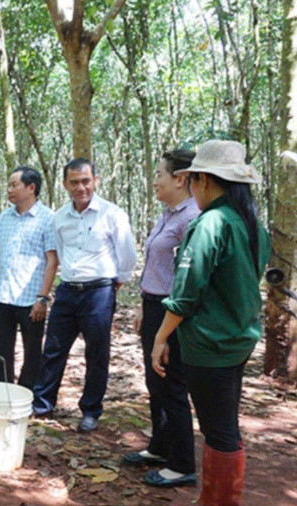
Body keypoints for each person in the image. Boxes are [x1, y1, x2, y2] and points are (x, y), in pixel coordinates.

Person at [151, 140, 270, 506]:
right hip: (236, 338)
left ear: (202, 180)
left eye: (193, 180)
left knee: (220, 429)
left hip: (211, 344)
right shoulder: (249, 224)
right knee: (219, 424)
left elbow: (186, 295)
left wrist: (160, 337)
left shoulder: (210, 225)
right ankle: (210, 500)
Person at [32, 158, 137, 432]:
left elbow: (127, 256)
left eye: (86, 181)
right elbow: (60, 254)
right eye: (75, 182)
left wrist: (116, 283)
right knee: (54, 349)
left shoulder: (112, 214)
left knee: (97, 353)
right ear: (65, 184)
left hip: (99, 292)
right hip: (67, 290)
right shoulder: (59, 217)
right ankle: (42, 404)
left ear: (96, 181)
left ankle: (90, 410)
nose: (81, 187)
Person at [122, 150, 200, 488]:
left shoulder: (193, 218)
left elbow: (186, 280)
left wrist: (165, 330)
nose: (155, 181)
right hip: (153, 305)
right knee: (156, 383)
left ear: (181, 179)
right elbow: (156, 267)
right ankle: (159, 447)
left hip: (174, 313)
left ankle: (182, 463)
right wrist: (143, 305)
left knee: (172, 384)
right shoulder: (167, 215)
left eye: (160, 174)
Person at [0, 166, 58, 389]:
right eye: (9, 185)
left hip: (30, 298)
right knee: (2, 349)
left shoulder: (48, 219)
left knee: (33, 350)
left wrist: (42, 298)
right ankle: (1, 392)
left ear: (31, 187)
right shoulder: (4, 217)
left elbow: (52, 261)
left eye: (14, 184)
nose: (9, 190)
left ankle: (28, 394)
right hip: (3, 296)